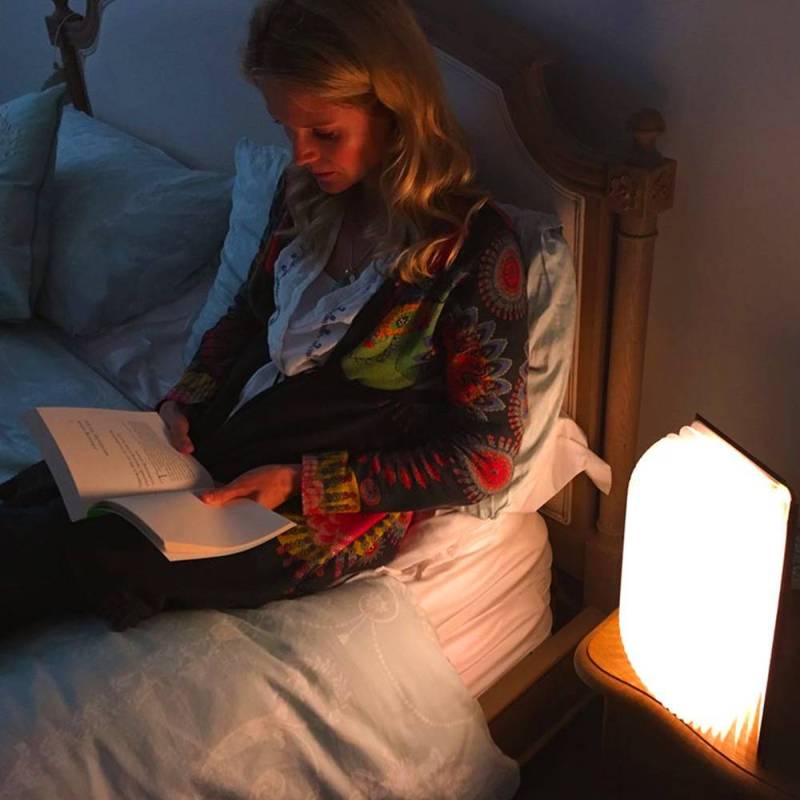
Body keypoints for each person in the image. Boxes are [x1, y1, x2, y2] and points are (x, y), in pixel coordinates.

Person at [0, 0, 529, 634]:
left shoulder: (472, 250)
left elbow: (485, 457)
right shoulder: (306, 193)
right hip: (227, 436)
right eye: (286, 129)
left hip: (315, 506)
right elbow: (248, 315)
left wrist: (302, 483)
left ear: (396, 111)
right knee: (47, 490)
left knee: (92, 547)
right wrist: (184, 401)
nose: (301, 155)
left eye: (324, 133)